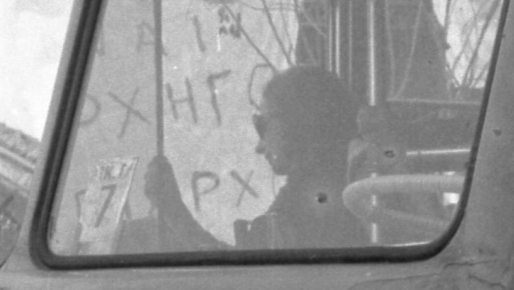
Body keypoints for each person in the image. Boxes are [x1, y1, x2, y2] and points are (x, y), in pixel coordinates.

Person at [142, 66, 364, 251]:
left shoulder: (309, 207)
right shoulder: (343, 189)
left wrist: (173, 210)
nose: (260, 147)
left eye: (262, 125)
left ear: (300, 122)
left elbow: (239, 275)